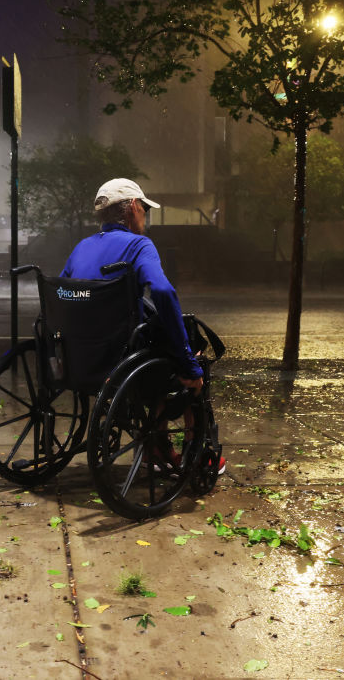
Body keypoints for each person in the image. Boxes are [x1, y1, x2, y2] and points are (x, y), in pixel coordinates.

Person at [61, 177, 225, 474]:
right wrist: (189, 364)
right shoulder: (139, 245)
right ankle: (195, 452)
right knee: (191, 360)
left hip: (81, 358)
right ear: (134, 208)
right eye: (144, 210)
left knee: (161, 343)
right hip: (122, 358)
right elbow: (162, 292)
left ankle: (155, 447)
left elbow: (63, 295)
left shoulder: (81, 247)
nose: (145, 216)